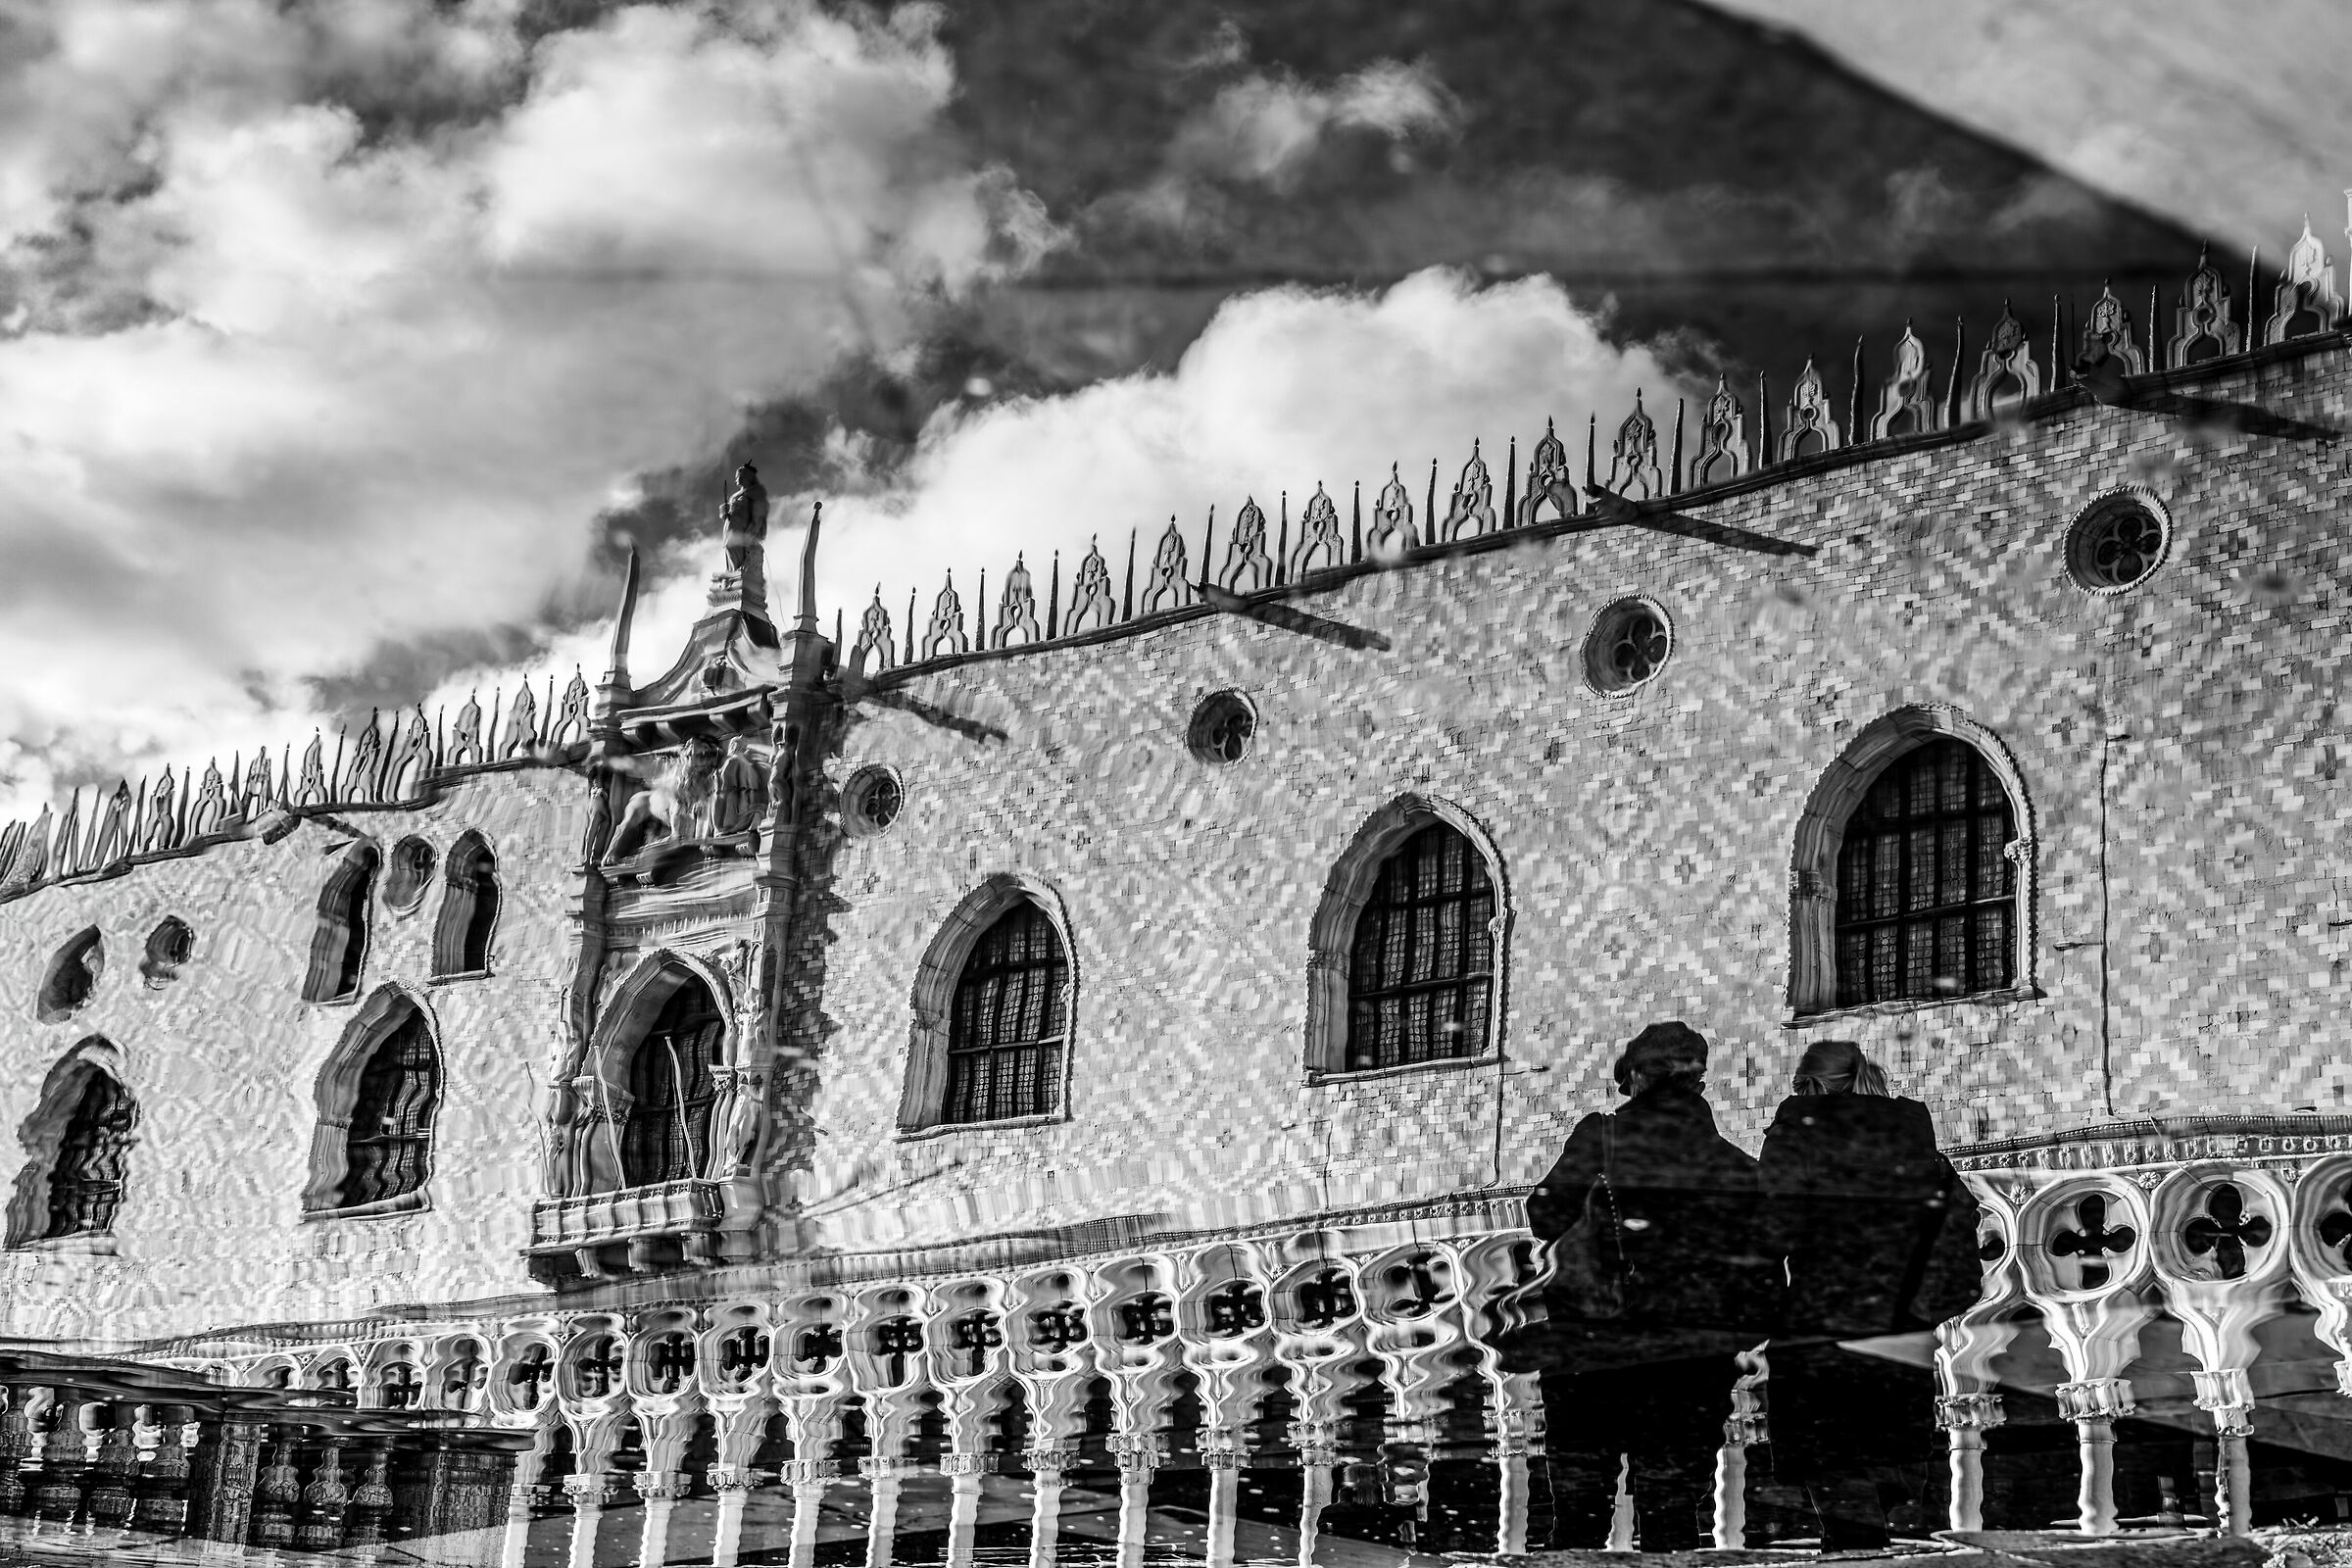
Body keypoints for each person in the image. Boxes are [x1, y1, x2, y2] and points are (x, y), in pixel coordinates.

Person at [1509, 1021, 1769, 1553]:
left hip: (1593, 1347)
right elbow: (1764, 1259)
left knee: (1580, 1506)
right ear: (1697, 1084)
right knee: (1670, 1505)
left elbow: (1545, 1213)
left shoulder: (1600, 1138)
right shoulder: (1734, 1166)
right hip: (1687, 1355)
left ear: (1634, 1078)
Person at [1758, 1039, 1984, 1551]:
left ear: (1811, 1086)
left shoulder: (1800, 1130)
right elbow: (1957, 1213)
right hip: (1901, 1317)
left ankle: (1855, 1543)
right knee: (1882, 1441)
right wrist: (1930, 1300)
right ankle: (1865, 1528)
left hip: (1826, 1312)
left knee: (1829, 1450)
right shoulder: (1909, 1137)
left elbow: (1773, 1224)